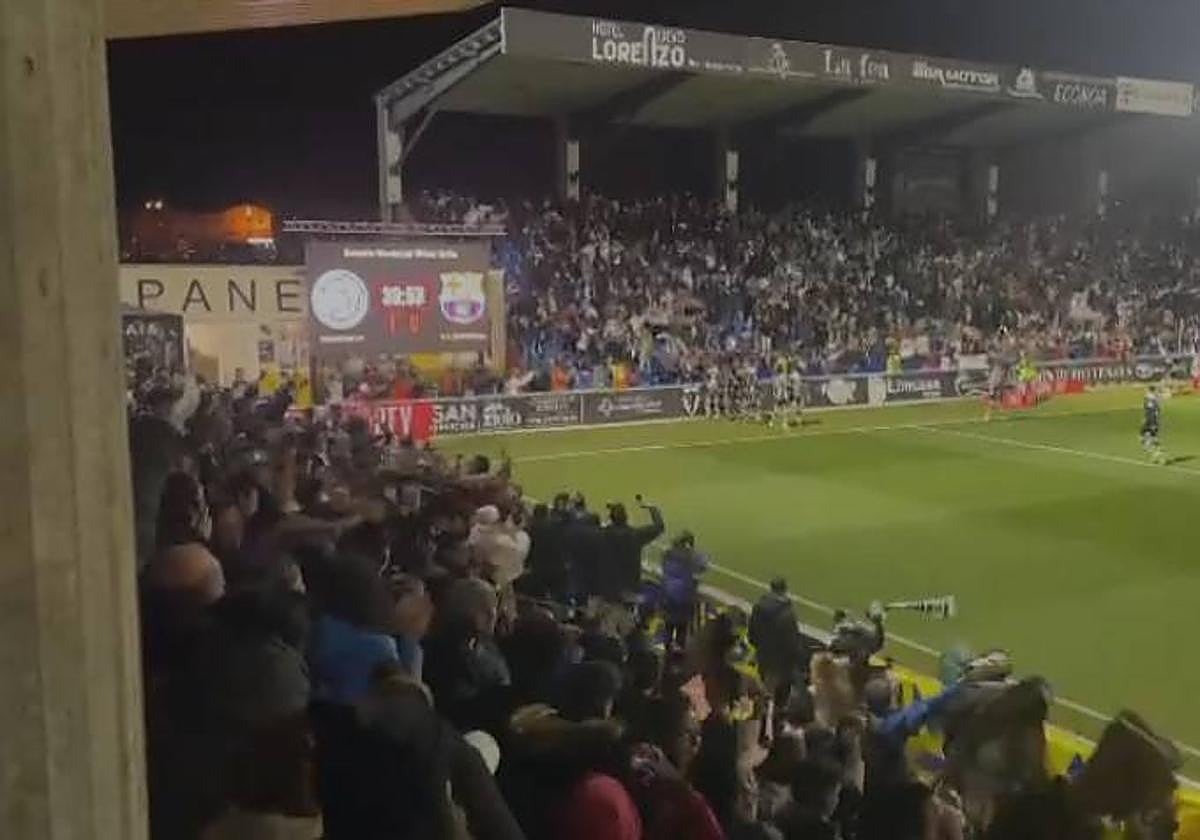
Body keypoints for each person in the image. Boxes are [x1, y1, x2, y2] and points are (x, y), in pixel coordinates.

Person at [749, 578, 802, 708]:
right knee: (774, 697)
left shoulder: (758, 607)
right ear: (785, 590)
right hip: (781, 663)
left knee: (763, 689)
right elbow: (792, 642)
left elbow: (752, 633)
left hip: (763, 656)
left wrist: (759, 648)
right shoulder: (787, 613)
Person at [660, 531, 709, 648]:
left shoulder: (667, 554)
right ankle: (679, 648)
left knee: (668, 625)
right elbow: (703, 565)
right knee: (682, 626)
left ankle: (668, 648)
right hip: (684, 597)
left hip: (668, 595)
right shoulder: (691, 556)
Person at [1141, 385, 1166, 464]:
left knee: (1152, 438)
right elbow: (1149, 410)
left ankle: (1160, 455)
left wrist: (1154, 422)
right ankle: (1156, 454)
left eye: (1147, 390)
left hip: (1152, 421)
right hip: (1149, 421)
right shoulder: (1151, 398)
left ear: (1149, 390)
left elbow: (1154, 411)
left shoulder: (1152, 399)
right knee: (1145, 438)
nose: (1146, 391)